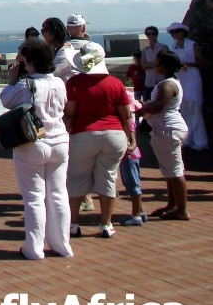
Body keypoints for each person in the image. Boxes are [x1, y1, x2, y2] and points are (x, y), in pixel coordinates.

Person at [0, 40, 72, 260]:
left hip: (34, 143)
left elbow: (6, 100)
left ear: (30, 62)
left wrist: (12, 81)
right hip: (60, 141)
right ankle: (62, 244)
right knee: (58, 194)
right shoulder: (59, 82)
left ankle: (34, 247)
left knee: (34, 198)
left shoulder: (26, 85)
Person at [64, 42, 135, 238]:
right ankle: (106, 224)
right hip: (114, 135)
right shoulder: (115, 83)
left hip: (84, 135)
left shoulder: (74, 83)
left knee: (77, 178)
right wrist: (131, 137)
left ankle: (73, 224)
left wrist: (63, 133)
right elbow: (126, 115)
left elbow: (70, 114)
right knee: (108, 179)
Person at [139, 50, 190, 220]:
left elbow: (158, 106)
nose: (154, 65)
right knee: (169, 170)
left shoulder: (167, 85)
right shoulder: (168, 83)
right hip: (166, 129)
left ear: (165, 66)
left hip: (168, 130)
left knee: (175, 170)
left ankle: (182, 209)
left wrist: (141, 107)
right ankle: (173, 204)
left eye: (157, 63)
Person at [166, 21, 208, 151]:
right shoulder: (173, 46)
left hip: (192, 79)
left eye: (177, 31)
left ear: (183, 32)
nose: (175, 34)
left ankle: (200, 141)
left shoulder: (191, 45)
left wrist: (188, 64)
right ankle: (188, 139)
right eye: (173, 32)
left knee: (195, 109)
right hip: (180, 79)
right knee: (184, 110)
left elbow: (202, 62)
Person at [118, 96, 147, 226]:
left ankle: (136, 215)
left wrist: (130, 145)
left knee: (132, 183)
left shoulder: (127, 121)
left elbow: (131, 139)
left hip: (129, 154)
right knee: (131, 182)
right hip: (131, 154)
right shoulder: (130, 119)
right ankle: (140, 211)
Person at [140, 26, 168, 100]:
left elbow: (165, 64)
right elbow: (143, 66)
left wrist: (150, 65)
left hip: (161, 81)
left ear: (157, 34)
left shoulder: (163, 47)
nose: (151, 35)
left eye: (153, 33)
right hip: (149, 82)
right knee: (149, 102)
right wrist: (157, 63)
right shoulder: (145, 50)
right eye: (149, 34)